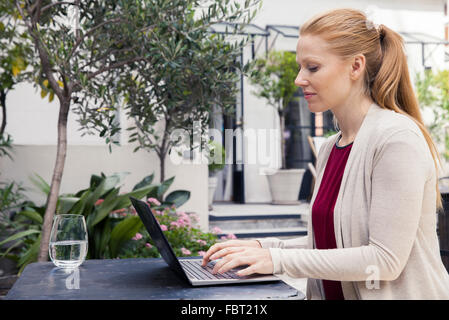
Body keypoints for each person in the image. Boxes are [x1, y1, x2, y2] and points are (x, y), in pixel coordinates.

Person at [202, 8, 449, 300]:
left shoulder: (397, 140)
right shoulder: (332, 147)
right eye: (300, 67)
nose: (299, 79)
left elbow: (383, 261)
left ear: (355, 67)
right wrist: (264, 248)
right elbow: (334, 246)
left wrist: (277, 261)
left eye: (312, 67)